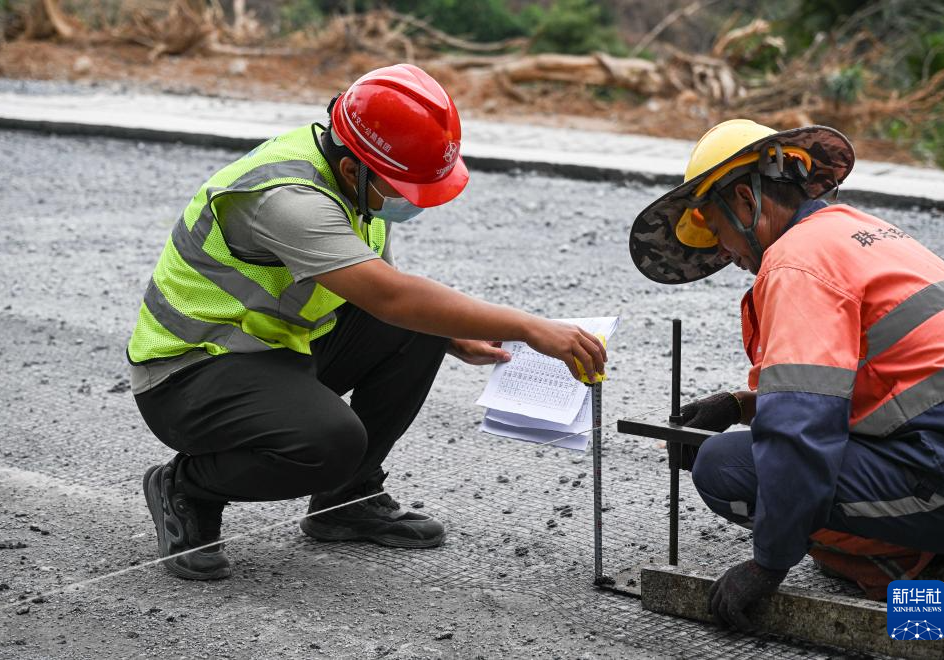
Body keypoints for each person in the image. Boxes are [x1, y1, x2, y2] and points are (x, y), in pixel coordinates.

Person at [128, 64, 606, 580]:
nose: (408, 201)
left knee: (422, 329)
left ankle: (345, 501)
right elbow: (390, 295)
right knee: (331, 442)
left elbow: (390, 297)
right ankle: (186, 487)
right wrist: (529, 325)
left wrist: (447, 333)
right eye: (402, 187)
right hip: (189, 375)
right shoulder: (289, 200)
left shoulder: (351, 177)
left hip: (273, 355)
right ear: (355, 170)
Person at [629, 119, 944, 631]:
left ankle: (916, 571)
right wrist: (740, 406)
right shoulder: (854, 230)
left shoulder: (795, 263)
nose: (727, 254)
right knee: (803, 501)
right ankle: (927, 542)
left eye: (718, 232)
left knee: (725, 466)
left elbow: (800, 430)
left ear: (746, 200)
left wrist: (768, 563)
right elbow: (864, 382)